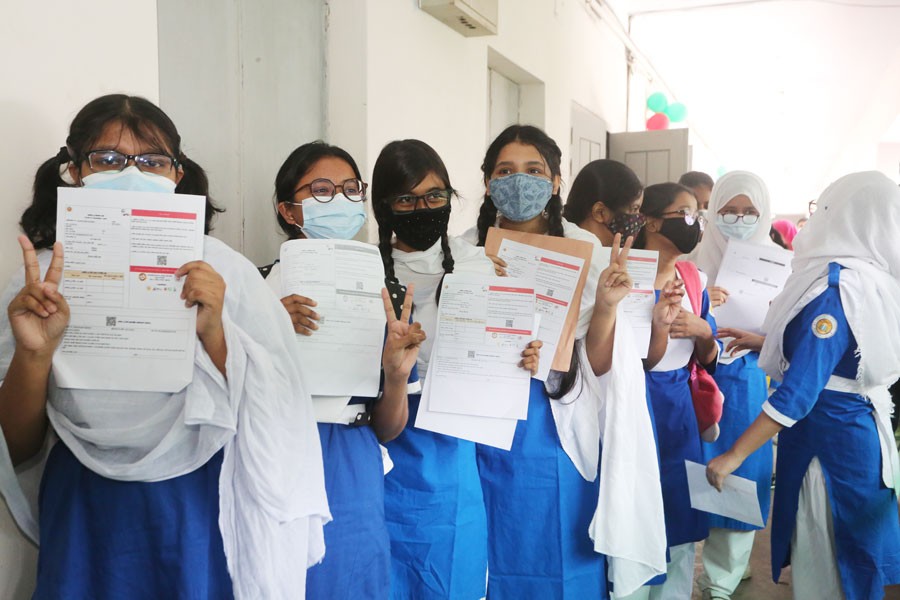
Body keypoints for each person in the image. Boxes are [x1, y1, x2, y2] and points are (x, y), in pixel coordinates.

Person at [0, 94, 330, 599]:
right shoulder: (39, 282)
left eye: (152, 160)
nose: (131, 172)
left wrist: (216, 332)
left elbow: (276, 414)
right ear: (72, 171)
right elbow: (17, 447)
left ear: (177, 175)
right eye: (107, 159)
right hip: (88, 508)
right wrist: (35, 354)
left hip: (198, 503)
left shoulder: (228, 272)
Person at [467, 125, 665, 598]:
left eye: (534, 170)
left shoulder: (590, 255)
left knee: (557, 552)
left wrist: (607, 305)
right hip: (479, 425)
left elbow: (600, 365)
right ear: (489, 182)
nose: (520, 181)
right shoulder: (464, 252)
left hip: (555, 424)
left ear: (556, 181)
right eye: (505, 171)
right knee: (486, 553)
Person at [707, 171, 900, 600]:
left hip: (828, 449)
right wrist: (767, 341)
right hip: (851, 432)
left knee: (827, 569)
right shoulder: (867, 278)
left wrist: (734, 455)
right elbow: (839, 355)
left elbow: (799, 393)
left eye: (823, 208)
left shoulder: (837, 288)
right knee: (846, 561)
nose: (815, 219)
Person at [371, 138, 540, 599]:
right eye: (406, 199)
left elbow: (505, 351)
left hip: (453, 452)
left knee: (452, 570)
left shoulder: (481, 266)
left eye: (434, 197)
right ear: (384, 206)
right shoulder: (363, 269)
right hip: (380, 444)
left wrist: (522, 356)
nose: (422, 208)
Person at [265, 141, 425, 599]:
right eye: (320, 189)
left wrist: (395, 376)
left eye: (350, 188)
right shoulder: (253, 287)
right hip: (276, 453)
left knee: (349, 579)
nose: (339, 198)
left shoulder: (389, 297)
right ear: (289, 209)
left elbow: (389, 428)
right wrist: (266, 325)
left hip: (352, 462)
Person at [626, 182, 719, 599]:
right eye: (684, 213)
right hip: (632, 398)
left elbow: (707, 356)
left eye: (698, 214)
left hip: (677, 404)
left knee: (680, 515)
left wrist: (704, 332)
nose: (694, 223)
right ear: (649, 220)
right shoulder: (624, 271)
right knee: (634, 507)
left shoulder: (693, 276)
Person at [692, 171, 777, 600]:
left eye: (749, 212)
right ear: (713, 210)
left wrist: (762, 339)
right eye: (728, 210)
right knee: (690, 474)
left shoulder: (781, 264)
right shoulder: (692, 259)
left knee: (742, 475)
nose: (738, 219)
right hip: (693, 379)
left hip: (745, 376)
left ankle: (722, 579)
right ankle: (699, 561)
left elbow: (792, 332)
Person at [564, 158, 686, 370]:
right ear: (600, 212)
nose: (640, 219)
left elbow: (641, 357)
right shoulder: (584, 259)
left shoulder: (623, 261)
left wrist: (660, 323)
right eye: (634, 209)